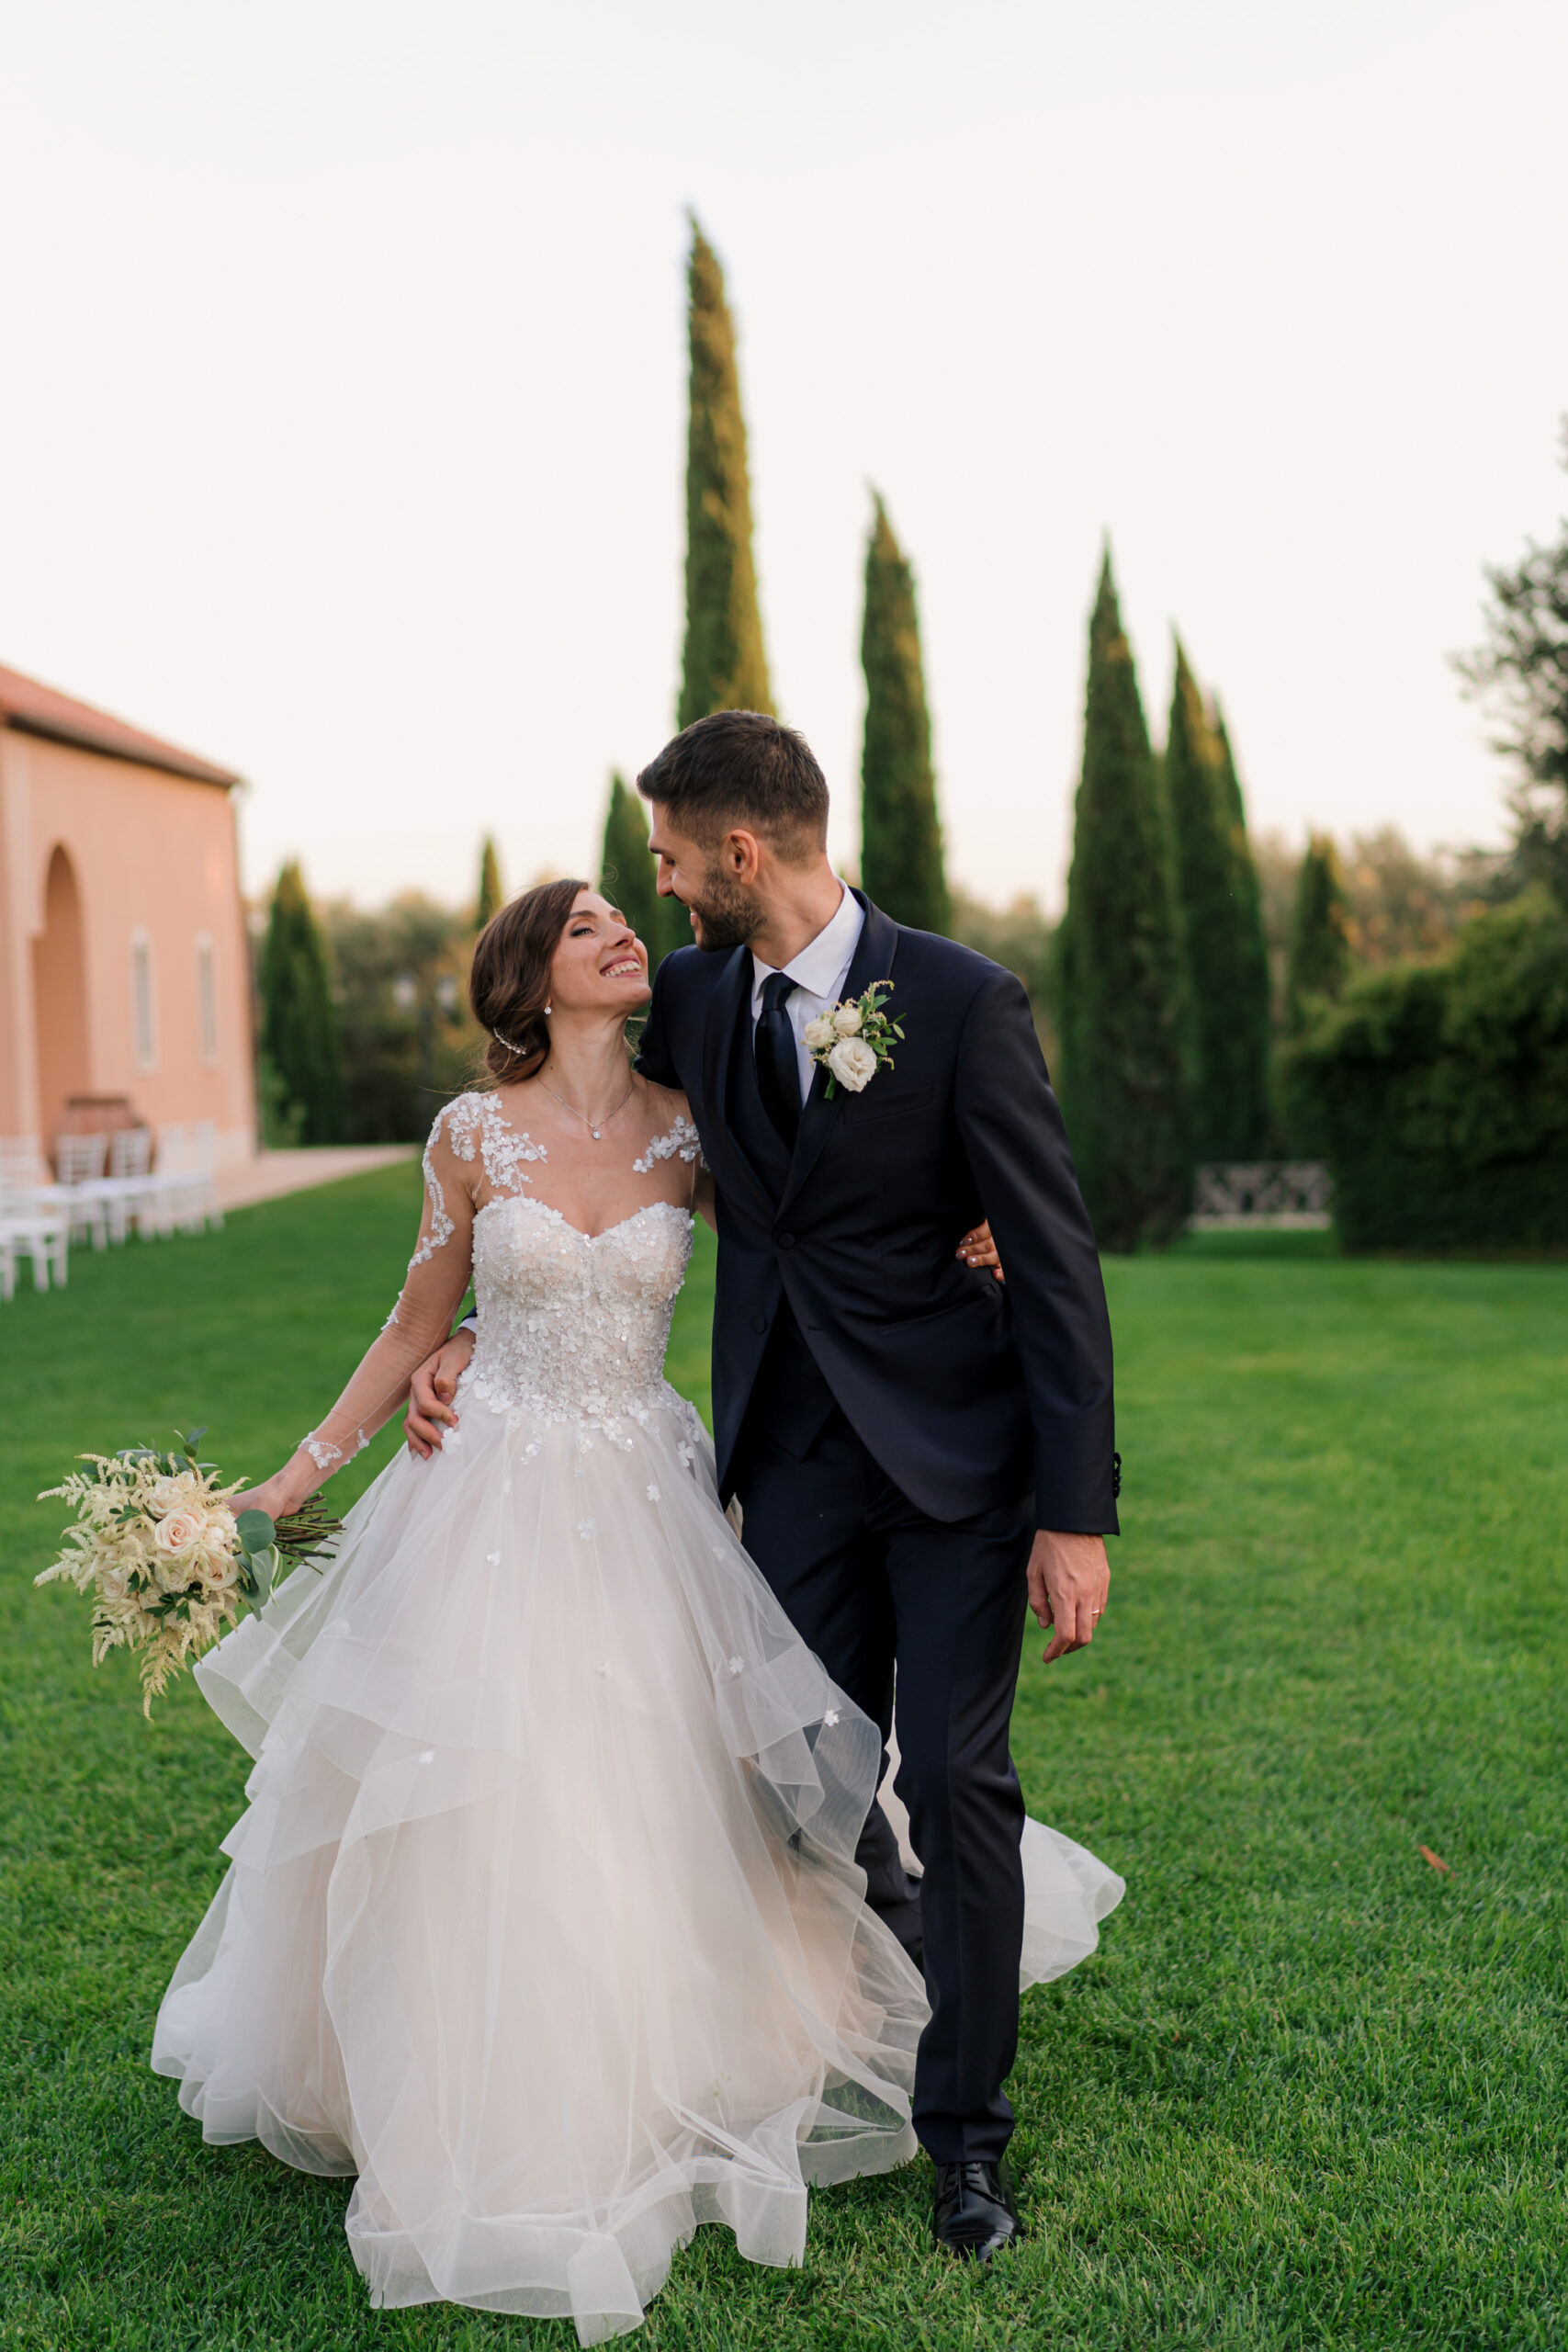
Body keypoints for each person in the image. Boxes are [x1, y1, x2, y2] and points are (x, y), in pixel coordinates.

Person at [152, 874, 1121, 2344]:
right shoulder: (468, 1135)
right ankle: (482, 2083)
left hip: (649, 1488)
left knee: (683, 1786)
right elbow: (415, 1320)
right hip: (490, 1495)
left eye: (630, 910)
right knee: (493, 1800)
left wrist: (978, 1225)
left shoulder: (694, 1124)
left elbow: (833, 1220)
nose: (631, 935)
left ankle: (727, 2047)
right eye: (593, 924)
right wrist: (298, 1478)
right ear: (531, 980)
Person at [408, 710, 1122, 2271]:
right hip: (784, 1473)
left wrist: (1077, 1513)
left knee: (957, 1788)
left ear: (741, 851)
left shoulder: (958, 1000)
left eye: (669, 860)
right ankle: (823, 2040)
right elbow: (587, 1164)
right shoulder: (691, 999)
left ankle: (968, 2146)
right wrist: (472, 1332)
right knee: (794, 1785)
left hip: (955, 1472)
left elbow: (1056, 1265)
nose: (655, 892)